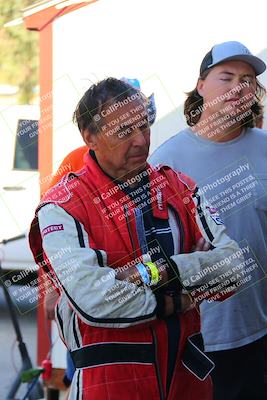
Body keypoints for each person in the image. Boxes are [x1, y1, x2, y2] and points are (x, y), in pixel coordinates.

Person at [29, 77, 243, 400]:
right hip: (110, 385)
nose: (141, 141)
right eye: (124, 131)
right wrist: (180, 297)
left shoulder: (177, 185)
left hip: (187, 383)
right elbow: (95, 298)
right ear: (90, 137)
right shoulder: (61, 205)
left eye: (145, 126)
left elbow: (233, 265)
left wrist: (156, 272)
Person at [150, 41, 267, 400]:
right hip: (195, 336)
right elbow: (150, 247)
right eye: (226, 77)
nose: (238, 88)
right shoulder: (167, 160)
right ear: (201, 87)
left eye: (247, 80)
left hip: (260, 333)